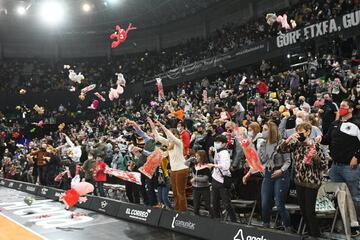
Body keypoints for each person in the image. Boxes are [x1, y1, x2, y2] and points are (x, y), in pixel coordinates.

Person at [280, 122, 327, 238]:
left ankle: (316, 235)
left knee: (309, 211)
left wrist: (315, 157)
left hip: (312, 181)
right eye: (297, 132)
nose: (299, 135)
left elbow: (324, 165)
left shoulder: (315, 145)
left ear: (308, 132)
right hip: (299, 180)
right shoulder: (296, 144)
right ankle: (310, 233)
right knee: (303, 210)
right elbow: (280, 150)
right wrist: (287, 140)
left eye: (301, 133)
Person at [320, 99, 360, 224]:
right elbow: (327, 139)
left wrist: (357, 156)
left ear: (351, 109)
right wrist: (319, 138)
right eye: (340, 105)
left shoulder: (357, 124)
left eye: (343, 106)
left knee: (355, 197)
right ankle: (342, 222)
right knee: (337, 197)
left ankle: (356, 223)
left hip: (350, 167)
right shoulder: (334, 124)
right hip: (335, 167)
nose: (341, 108)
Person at [254, 121, 291, 231]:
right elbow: (262, 161)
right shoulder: (263, 144)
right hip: (268, 173)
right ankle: (265, 226)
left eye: (265, 129)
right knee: (264, 202)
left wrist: (281, 170)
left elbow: (288, 161)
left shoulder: (282, 143)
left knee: (279, 204)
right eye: (262, 129)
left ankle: (288, 227)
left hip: (281, 174)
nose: (262, 132)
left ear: (272, 131)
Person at [148, 118, 189, 212]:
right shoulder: (169, 144)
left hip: (182, 169)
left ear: (177, 135)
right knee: (175, 193)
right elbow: (158, 137)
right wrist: (152, 125)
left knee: (180, 193)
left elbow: (170, 136)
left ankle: (183, 212)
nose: (171, 137)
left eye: (173, 134)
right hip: (174, 170)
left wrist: (162, 125)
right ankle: (177, 210)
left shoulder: (179, 143)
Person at [208, 135, 237, 222]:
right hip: (215, 179)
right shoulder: (218, 151)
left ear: (224, 144)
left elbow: (225, 166)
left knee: (226, 203)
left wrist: (214, 165)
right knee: (214, 202)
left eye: (218, 142)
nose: (216, 144)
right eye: (215, 142)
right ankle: (217, 220)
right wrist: (212, 151)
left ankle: (233, 221)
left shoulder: (225, 153)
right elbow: (215, 160)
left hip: (223, 181)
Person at [189, 150, 213, 217]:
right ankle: (197, 219)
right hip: (195, 188)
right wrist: (191, 158)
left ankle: (215, 218)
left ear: (202, 157)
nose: (196, 158)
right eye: (196, 156)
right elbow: (185, 163)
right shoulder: (195, 165)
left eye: (197, 156)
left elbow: (205, 179)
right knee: (196, 205)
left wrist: (195, 178)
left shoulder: (206, 167)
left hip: (204, 188)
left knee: (208, 205)